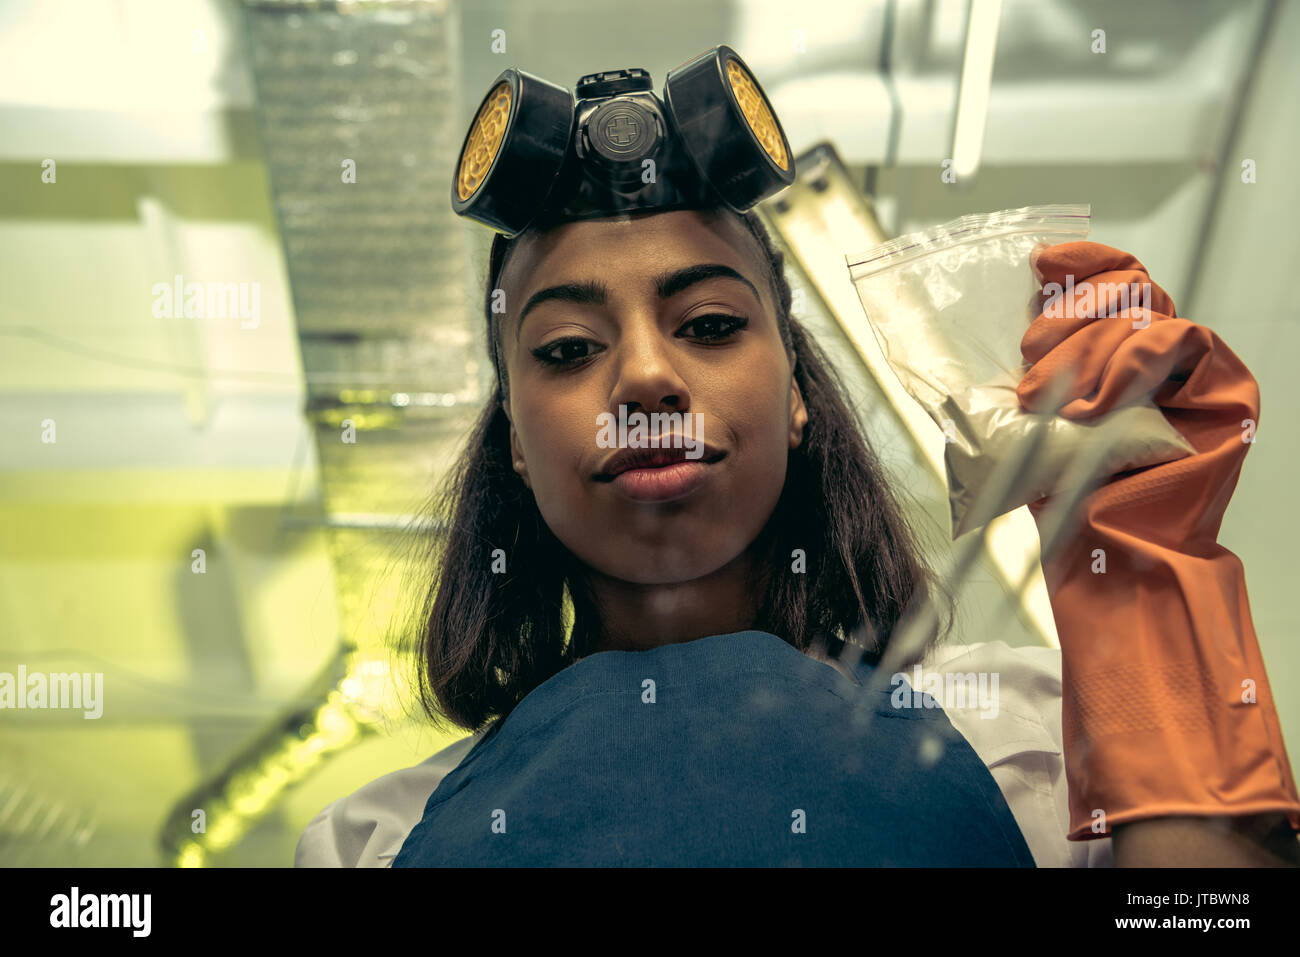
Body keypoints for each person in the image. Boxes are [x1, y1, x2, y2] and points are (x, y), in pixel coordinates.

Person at [293, 203, 1298, 866]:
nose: (644, 375)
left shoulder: (1032, 735)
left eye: (711, 324)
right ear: (515, 441)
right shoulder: (367, 844)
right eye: (566, 349)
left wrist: (1145, 597)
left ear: (798, 401)